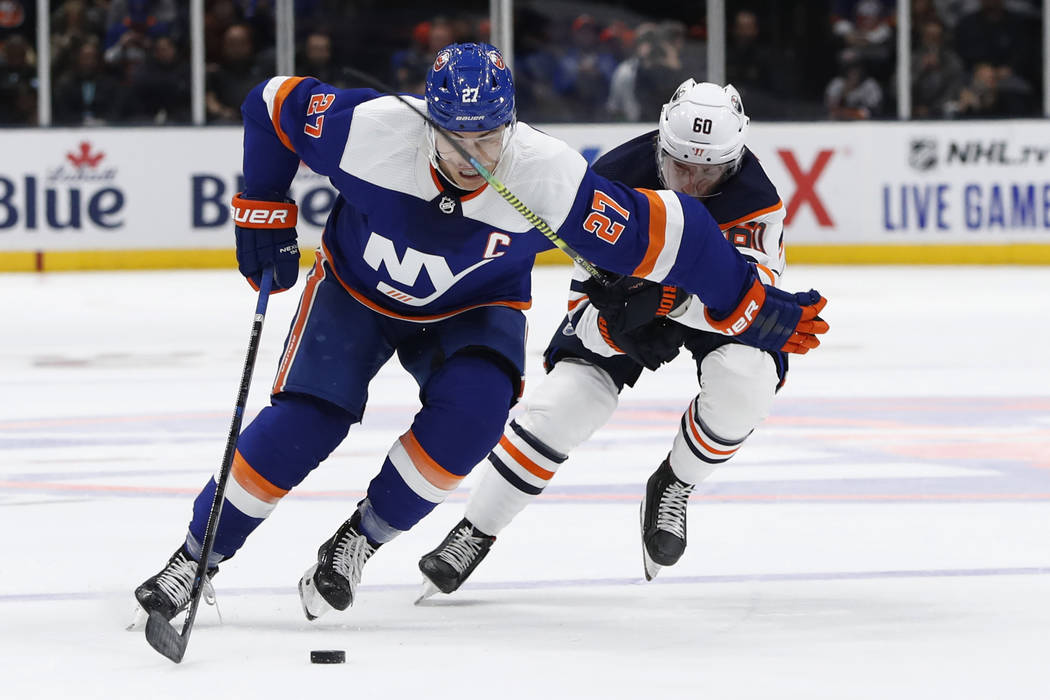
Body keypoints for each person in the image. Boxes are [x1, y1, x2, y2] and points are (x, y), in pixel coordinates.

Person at [131, 44, 827, 627]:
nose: (475, 154)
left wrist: (750, 311)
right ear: (429, 119)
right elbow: (271, 104)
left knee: (471, 424)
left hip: (474, 306)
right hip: (353, 293)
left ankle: (360, 541)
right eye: (457, 134)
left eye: (490, 135)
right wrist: (261, 208)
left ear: (512, 124)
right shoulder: (367, 128)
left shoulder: (546, 176)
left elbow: (683, 234)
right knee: (305, 425)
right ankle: (196, 557)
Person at [417, 80, 805, 595]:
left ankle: (675, 482)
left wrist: (675, 300)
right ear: (660, 146)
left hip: (709, 310)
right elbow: (583, 312)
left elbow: (750, 303)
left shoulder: (756, 200)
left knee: (748, 380)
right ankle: (476, 529)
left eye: (707, 172)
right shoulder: (612, 182)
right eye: (679, 166)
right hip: (630, 314)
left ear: (732, 164)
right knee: (561, 406)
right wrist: (611, 322)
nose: (689, 184)